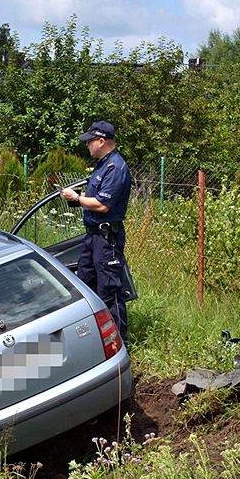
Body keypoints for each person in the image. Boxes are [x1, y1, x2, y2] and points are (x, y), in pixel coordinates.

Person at [60, 121, 132, 343]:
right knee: (85, 284)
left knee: (110, 290)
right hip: (93, 237)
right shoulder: (102, 165)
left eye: (89, 141)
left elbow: (102, 205)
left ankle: (119, 343)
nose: (87, 145)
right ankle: (94, 340)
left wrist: (76, 197)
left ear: (101, 141)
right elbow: (93, 198)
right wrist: (75, 197)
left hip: (107, 239)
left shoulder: (116, 167)